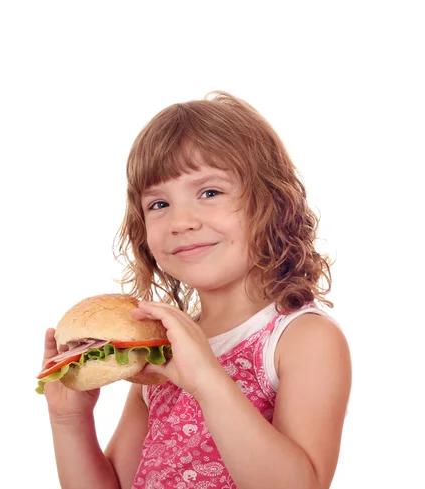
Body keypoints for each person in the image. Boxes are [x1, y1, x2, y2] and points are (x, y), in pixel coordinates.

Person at [41, 91, 352, 489]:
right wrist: (70, 421)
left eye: (210, 192)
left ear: (271, 203)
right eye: (158, 204)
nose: (180, 221)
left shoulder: (303, 338)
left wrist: (207, 380)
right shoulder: (160, 347)